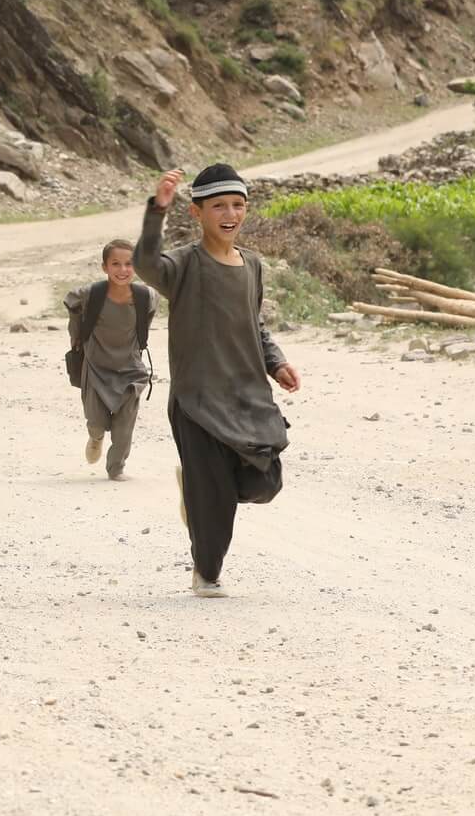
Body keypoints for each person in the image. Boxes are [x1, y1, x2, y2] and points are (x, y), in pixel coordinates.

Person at [134, 165, 300, 597]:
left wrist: (275, 363)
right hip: (198, 401)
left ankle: (198, 494)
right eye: (219, 206)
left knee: (266, 482)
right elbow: (145, 264)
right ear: (197, 212)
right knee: (217, 505)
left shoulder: (253, 265)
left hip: (247, 397)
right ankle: (206, 573)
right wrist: (157, 210)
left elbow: (255, 323)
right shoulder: (183, 265)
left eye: (238, 205)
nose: (230, 213)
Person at [65, 240, 155, 481]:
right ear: (105, 267)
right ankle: (95, 438)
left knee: (124, 427)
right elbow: (71, 301)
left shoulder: (146, 296)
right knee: (95, 421)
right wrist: (75, 335)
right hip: (96, 367)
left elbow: (147, 319)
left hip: (131, 370)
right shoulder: (91, 294)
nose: (122, 270)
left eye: (129, 264)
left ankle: (116, 468)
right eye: (116, 264)